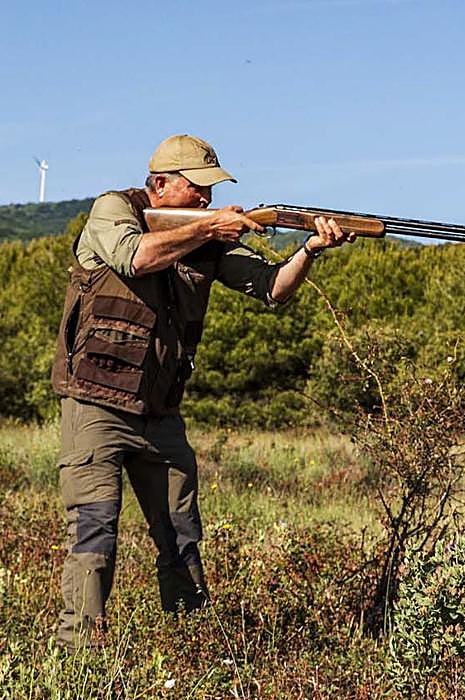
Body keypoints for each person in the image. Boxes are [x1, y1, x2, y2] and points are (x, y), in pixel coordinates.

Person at [50, 134, 355, 650]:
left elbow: (272, 287)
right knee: (95, 535)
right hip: (96, 402)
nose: (207, 201)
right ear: (162, 183)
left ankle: (189, 649)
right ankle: (79, 661)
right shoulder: (113, 210)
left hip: (161, 413)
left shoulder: (205, 235)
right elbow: (136, 258)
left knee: (182, 538)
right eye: (199, 190)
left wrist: (310, 249)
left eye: (213, 193)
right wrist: (210, 226)